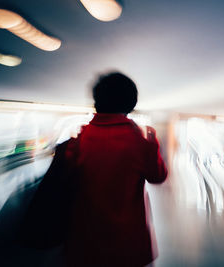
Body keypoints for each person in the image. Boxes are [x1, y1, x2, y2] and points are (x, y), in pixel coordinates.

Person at [63, 72, 168, 266]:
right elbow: (158, 177)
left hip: (85, 239)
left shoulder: (78, 141)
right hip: (127, 241)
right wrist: (153, 147)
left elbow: (68, 180)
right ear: (131, 103)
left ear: (96, 101)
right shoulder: (142, 141)